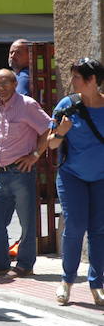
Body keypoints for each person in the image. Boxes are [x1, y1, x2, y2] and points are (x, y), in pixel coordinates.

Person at [0, 68, 51, 278]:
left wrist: (35, 155)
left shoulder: (27, 104)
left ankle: (25, 265)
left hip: (22, 172)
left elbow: (48, 128)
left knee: (27, 222)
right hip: (1, 173)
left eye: (5, 83)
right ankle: (0, 262)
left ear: (14, 84)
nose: (1, 88)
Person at [48, 58, 104, 306]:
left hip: (101, 178)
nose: (72, 82)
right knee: (75, 226)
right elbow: (50, 143)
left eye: (77, 77)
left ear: (92, 81)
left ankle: (97, 284)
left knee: (99, 231)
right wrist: (61, 131)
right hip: (72, 177)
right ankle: (66, 281)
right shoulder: (67, 105)